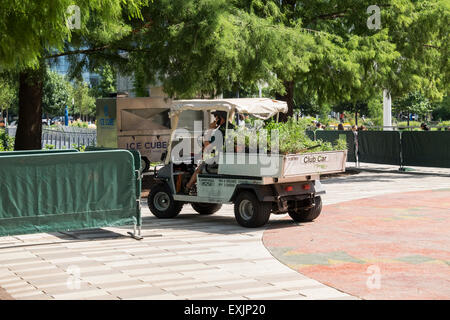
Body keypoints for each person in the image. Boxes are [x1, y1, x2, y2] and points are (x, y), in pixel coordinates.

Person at [185, 110, 235, 195]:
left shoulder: (220, 131)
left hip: (221, 160)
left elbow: (207, 146)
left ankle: (187, 187)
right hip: (231, 158)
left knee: (200, 168)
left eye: (216, 117)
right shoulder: (233, 127)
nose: (214, 119)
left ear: (220, 118)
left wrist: (210, 129)